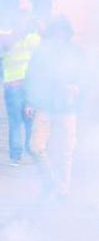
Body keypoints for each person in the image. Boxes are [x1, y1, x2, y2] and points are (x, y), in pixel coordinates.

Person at [25, 16, 81, 195]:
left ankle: (63, 191)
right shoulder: (42, 52)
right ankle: (51, 182)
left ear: (67, 34)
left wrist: (77, 87)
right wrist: (29, 101)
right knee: (35, 147)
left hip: (67, 108)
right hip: (45, 106)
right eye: (56, 32)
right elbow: (31, 76)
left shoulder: (75, 52)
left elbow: (86, 77)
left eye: (63, 32)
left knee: (66, 152)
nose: (59, 36)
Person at [2, 13, 40, 166]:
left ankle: (16, 157)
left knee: (15, 122)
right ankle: (32, 152)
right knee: (30, 121)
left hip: (12, 86)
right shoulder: (33, 39)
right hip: (30, 85)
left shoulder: (6, 40)